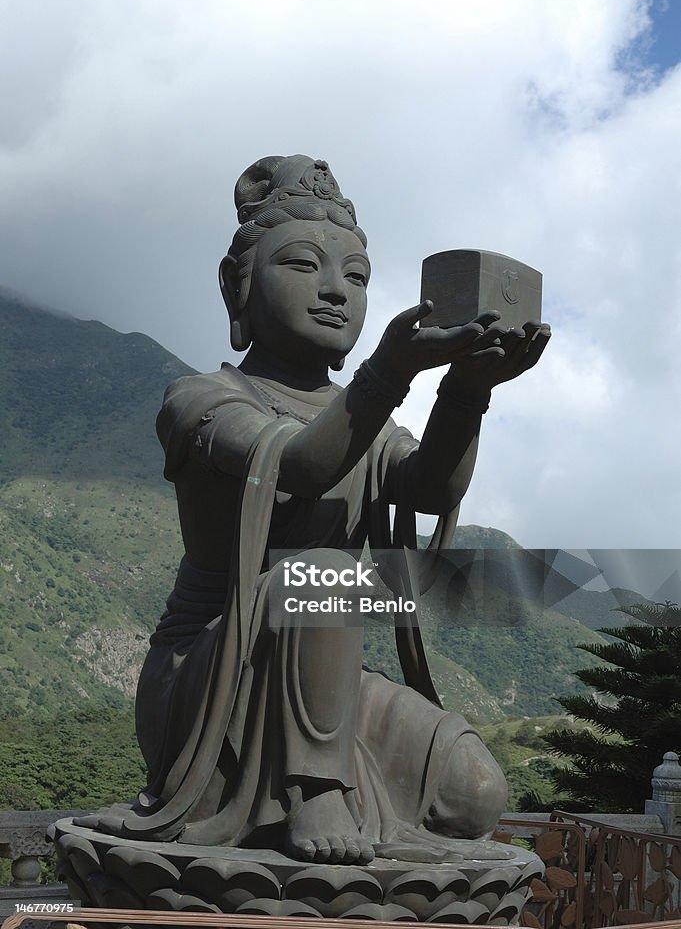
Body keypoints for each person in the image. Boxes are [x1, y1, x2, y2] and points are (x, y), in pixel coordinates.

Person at [90, 155, 550, 865]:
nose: (336, 291)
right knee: (325, 574)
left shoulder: (366, 419)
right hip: (214, 679)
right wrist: (389, 373)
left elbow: (429, 488)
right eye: (303, 265)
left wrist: (466, 389)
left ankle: (330, 773)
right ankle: (313, 789)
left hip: (325, 687)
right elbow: (303, 464)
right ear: (234, 286)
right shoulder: (203, 400)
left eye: (357, 277)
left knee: (474, 793)